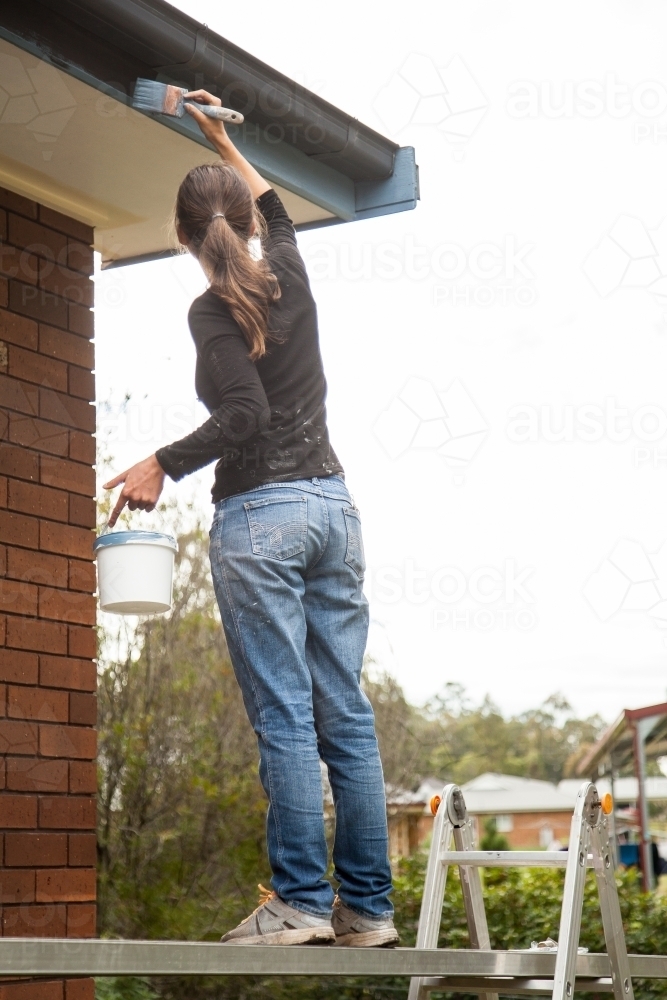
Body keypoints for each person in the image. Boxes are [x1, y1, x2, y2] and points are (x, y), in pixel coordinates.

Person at [103, 89, 398, 947]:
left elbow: (244, 417)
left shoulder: (211, 308)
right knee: (342, 709)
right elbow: (271, 205)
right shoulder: (290, 271)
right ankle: (367, 912)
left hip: (263, 514)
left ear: (185, 237)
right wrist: (217, 136)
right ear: (246, 223)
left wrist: (162, 462)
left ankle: (302, 902)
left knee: (284, 713)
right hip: (334, 509)